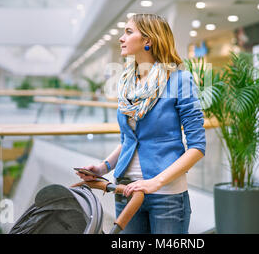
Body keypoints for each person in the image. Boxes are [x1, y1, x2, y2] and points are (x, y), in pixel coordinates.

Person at [76, 13, 206, 234]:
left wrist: (155, 182)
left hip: (166, 195)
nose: (121, 38)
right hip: (125, 191)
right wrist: (103, 167)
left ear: (148, 40)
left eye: (128, 32)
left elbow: (197, 147)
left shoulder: (179, 80)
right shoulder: (127, 82)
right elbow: (129, 139)